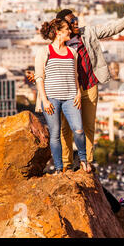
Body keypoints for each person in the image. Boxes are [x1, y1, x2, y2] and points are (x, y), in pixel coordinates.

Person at [28, 4, 124, 171]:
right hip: (66, 91)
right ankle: (65, 165)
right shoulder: (55, 46)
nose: (75, 22)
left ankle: (86, 162)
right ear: (61, 25)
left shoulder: (87, 33)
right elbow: (46, 66)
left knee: (86, 126)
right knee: (64, 130)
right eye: (71, 21)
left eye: (76, 19)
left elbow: (111, 29)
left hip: (88, 87)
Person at [35, 18, 91, 175]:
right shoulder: (44, 52)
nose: (69, 31)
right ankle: (59, 169)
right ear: (58, 32)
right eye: (66, 29)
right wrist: (44, 100)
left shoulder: (72, 52)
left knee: (78, 130)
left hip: (70, 97)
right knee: (55, 134)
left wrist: (78, 93)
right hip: (51, 98)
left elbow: (75, 76)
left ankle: (83, 160)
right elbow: (39, 77)